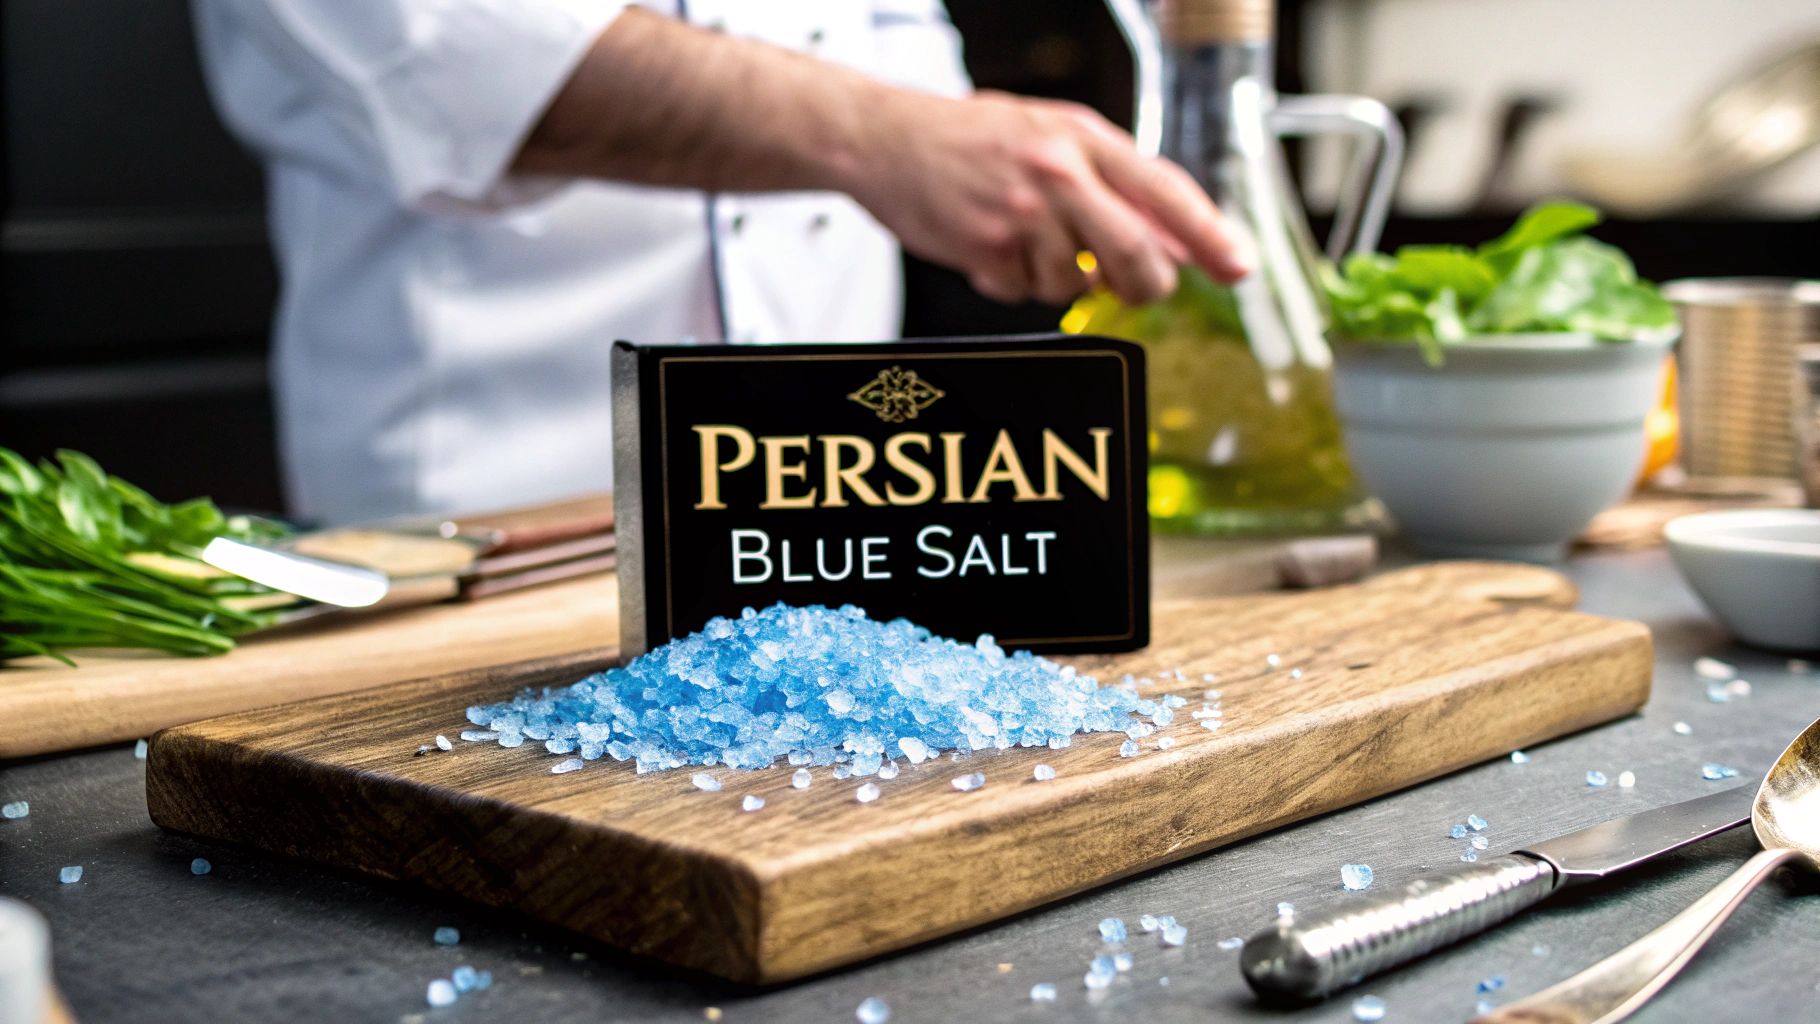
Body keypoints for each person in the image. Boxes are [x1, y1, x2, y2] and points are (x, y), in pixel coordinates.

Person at [191, 1, 1250, 524]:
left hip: (833, 509)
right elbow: (450, 43)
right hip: (497, 509)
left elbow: (883, 27)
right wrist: (884, 139)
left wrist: (982, 158)